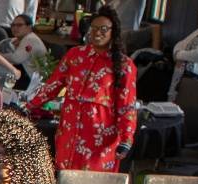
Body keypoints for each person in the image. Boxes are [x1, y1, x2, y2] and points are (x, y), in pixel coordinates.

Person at [24, 5, 137, 172]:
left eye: (104, 29)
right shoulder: (75, 55)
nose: (98, 32)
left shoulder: (124, 65)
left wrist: (126, 139)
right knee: (65, 178)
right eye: (94, 28)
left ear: (113, 32)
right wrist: (29, 106)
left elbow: (127, 106)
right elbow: (53, 85)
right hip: (69, 130)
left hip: (100, 136)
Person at [2, 15, 48, 87]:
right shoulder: (19, 40)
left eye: (19, 25)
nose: (15, 28)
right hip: (25, 76)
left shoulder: (30, 39)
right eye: (13, 25)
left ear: (29, 27)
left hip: (32, 81)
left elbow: (16, 59)